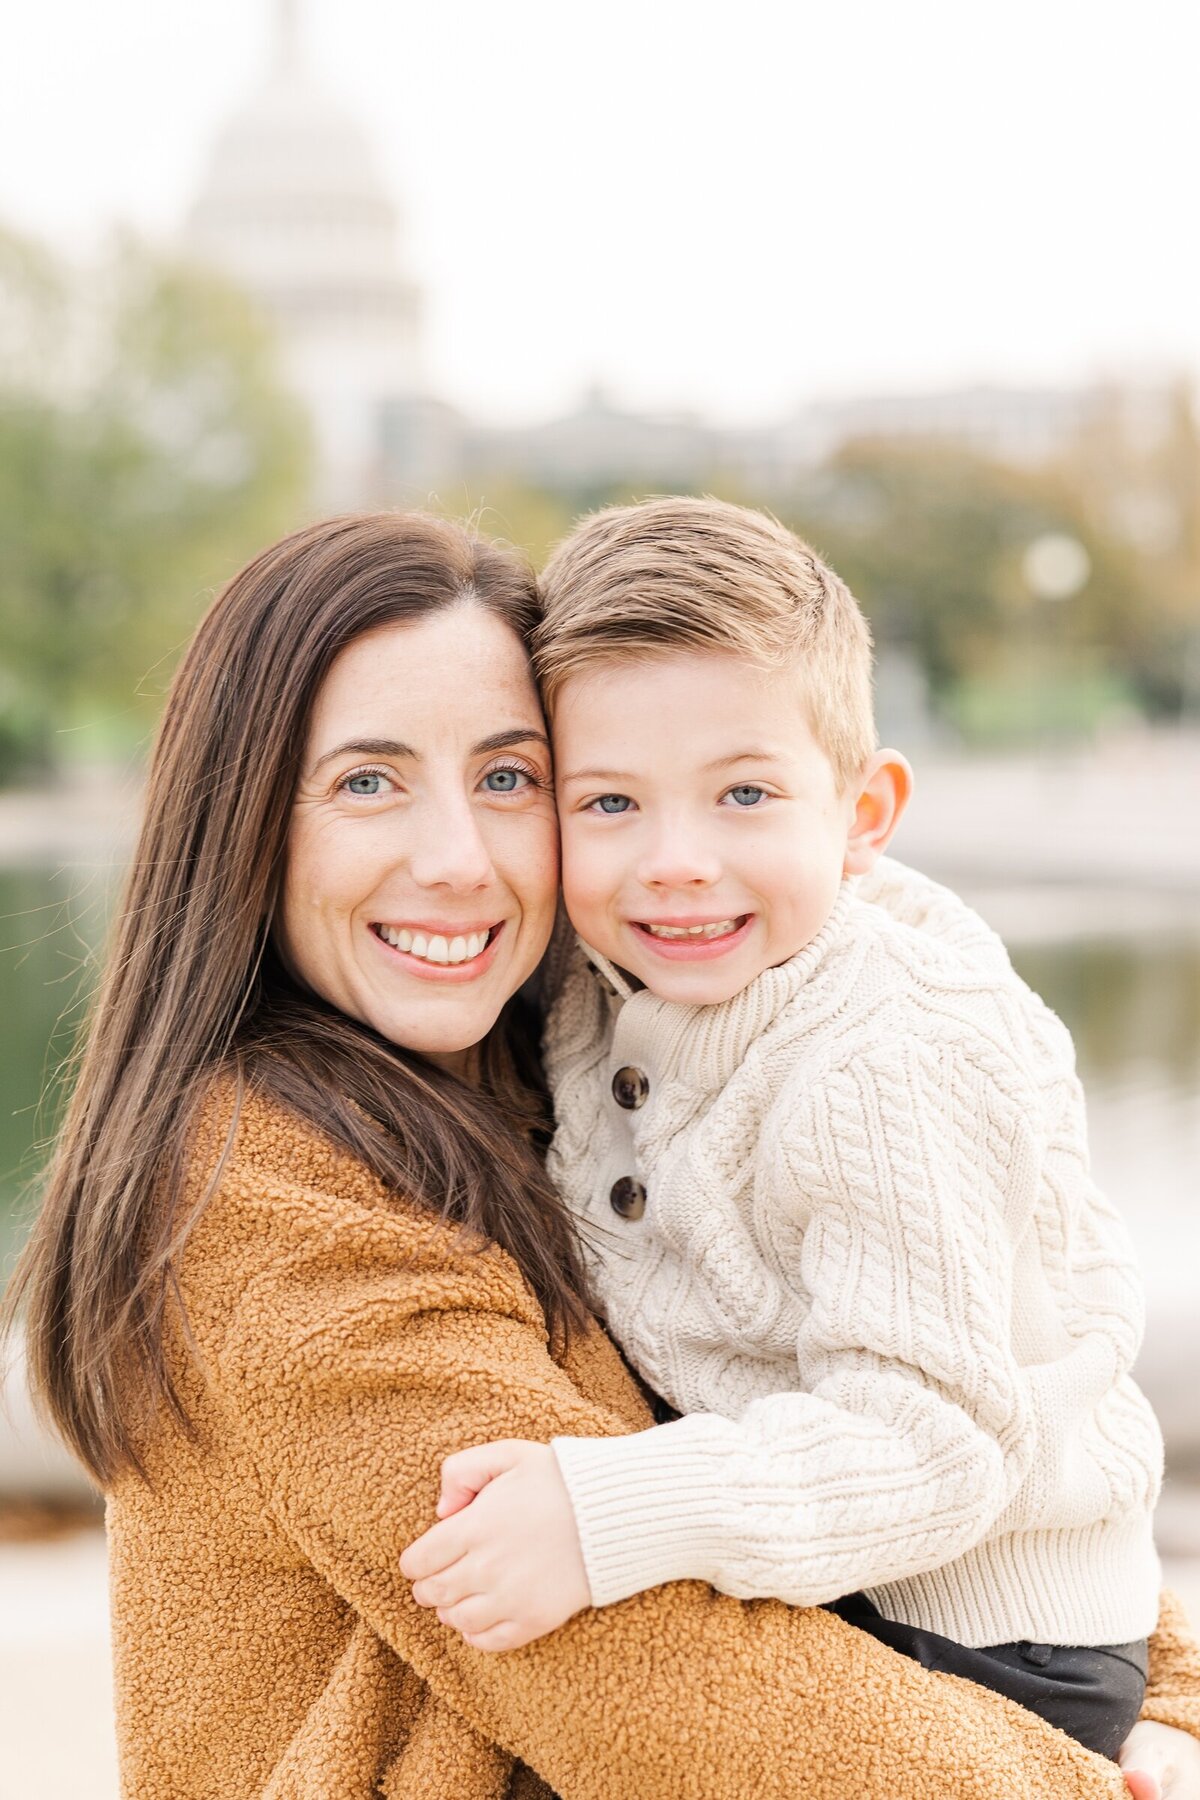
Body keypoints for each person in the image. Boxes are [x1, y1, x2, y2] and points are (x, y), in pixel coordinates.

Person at [4, 511, 1199, 1799]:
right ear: (241, 822)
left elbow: (1004, 1404)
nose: (458, 861)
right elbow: (646, 1676)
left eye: (508, 777)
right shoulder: (267, 1190)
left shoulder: (604, 1044)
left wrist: (1164, 1697)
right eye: (367, 780)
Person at [402, 496, 1178, 1771]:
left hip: (976, 1628)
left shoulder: (885, 1061)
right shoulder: (613, 979)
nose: (675, 861)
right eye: (608, 805)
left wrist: (613, 1512)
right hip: (847, 1570)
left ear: (866, 813)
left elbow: (931, 1443)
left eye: (745, 794)